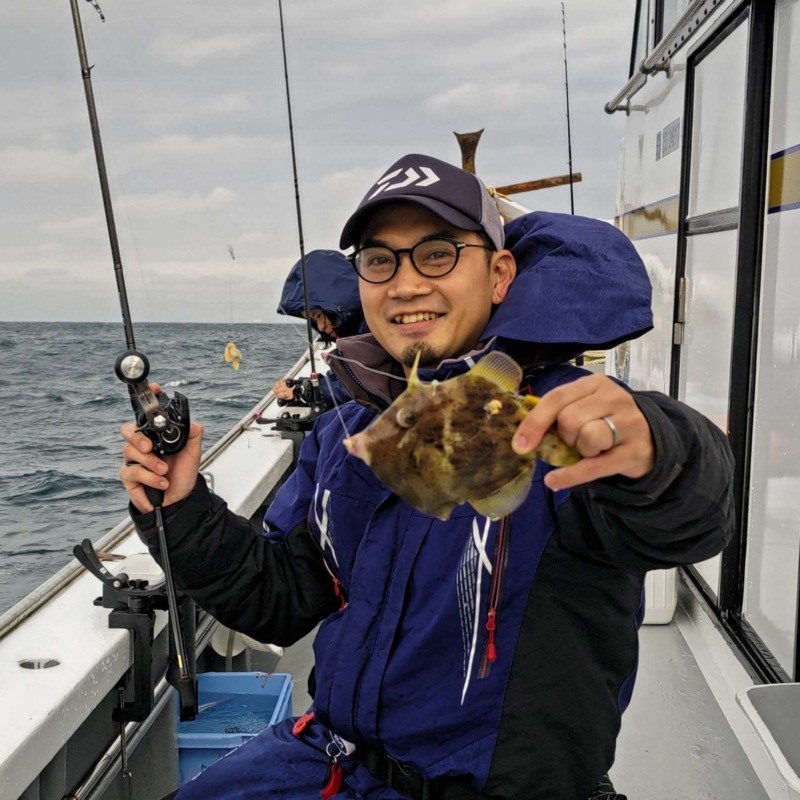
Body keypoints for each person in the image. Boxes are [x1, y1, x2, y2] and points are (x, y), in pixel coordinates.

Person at [120, 153, 735, 800]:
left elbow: (697, 510)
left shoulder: (575, 417)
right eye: (380, 260)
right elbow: (282, 598)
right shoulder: (344, 431)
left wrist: (657, 445)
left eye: (437, 254)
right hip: (332, 762)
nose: (405, 284)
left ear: (500, 275)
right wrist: (181, 505)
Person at [272, 249, 366, 406]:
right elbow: (351, 378)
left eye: (318, 315)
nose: (321, 327)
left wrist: (306, 391)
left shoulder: (371, 330)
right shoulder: (357, 332)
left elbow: (363, 383)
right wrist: (302, 388)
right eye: (313, 320)